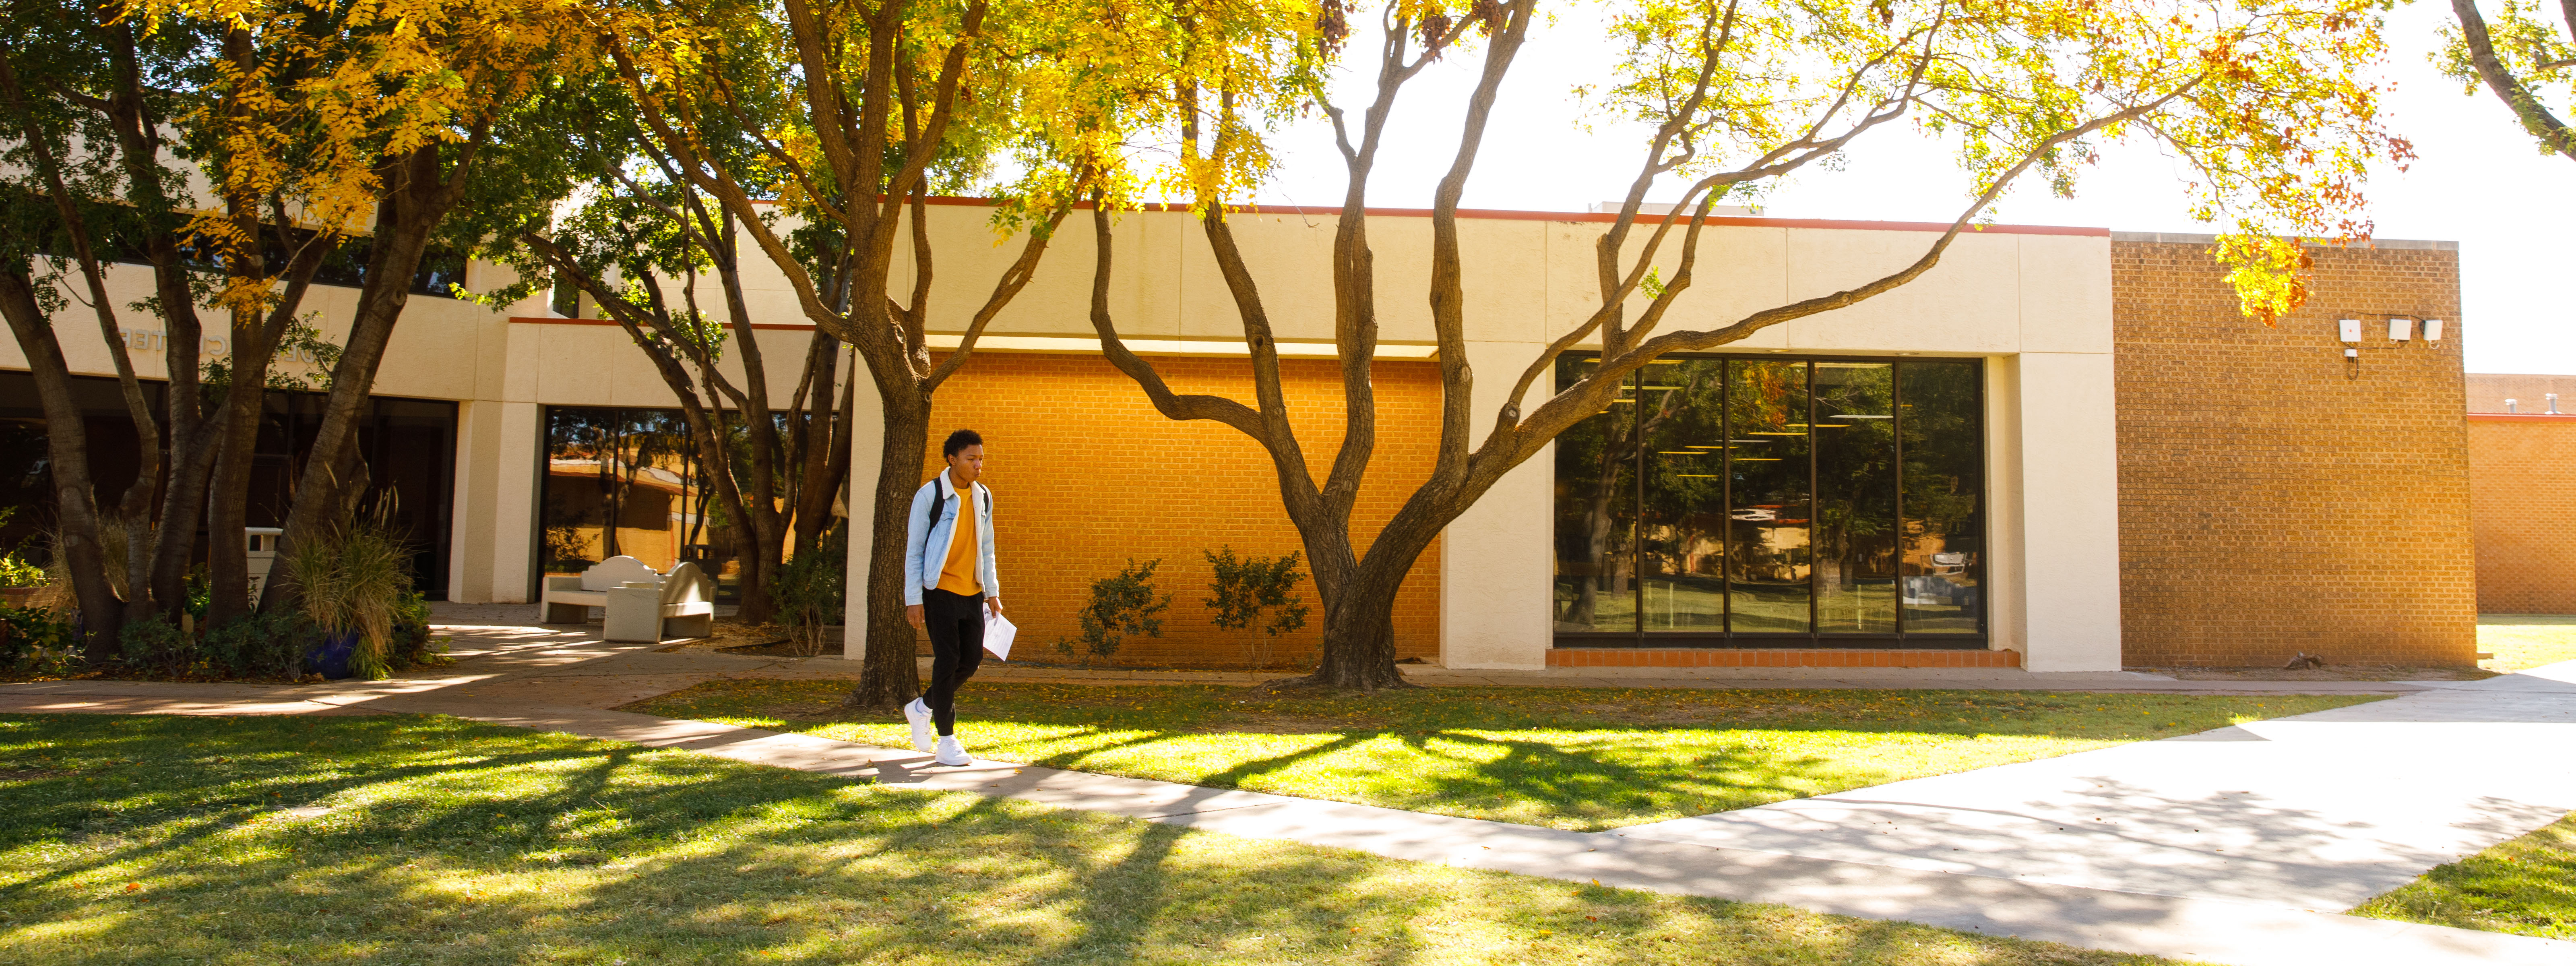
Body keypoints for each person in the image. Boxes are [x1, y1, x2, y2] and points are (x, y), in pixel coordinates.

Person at [903, 429, 1004, 766]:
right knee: (947, 660)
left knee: (971, 660)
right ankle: (946, 739)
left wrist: (992, 592)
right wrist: (913, 598)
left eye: (981, 459)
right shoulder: (930, 495)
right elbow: (914, 551)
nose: (978, 465)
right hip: (939, 590)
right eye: (971, 458)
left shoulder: (983, 496)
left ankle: (922, 708)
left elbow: (986, 548)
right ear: (952, 459)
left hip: (972, 591)